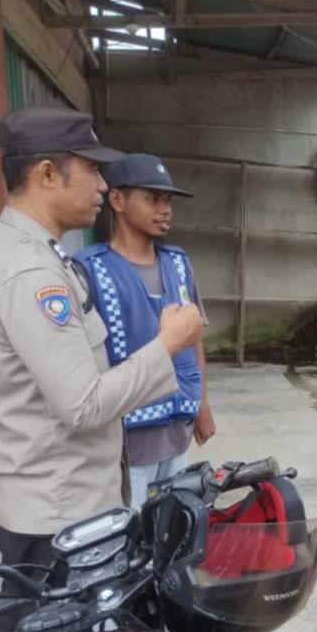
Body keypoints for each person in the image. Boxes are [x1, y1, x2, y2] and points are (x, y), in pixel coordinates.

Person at [0, 106, 204, 632]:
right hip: (57, 517)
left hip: (55, 503)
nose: (101, 184)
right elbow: (84, 404)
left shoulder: (35, 255)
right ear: (47, 174)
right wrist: (167, 346)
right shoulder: (31, 273)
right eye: (92, 170)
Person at [74, 153, 215, 507]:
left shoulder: (178, 264)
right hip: (126, 443)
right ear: (117, 200)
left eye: (168, 201)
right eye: (152, 199)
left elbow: (193, 340)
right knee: (131, 528)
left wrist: (203, 405)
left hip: (177, 431)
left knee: (174, 524)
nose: (164, 210)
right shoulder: (90, 270)